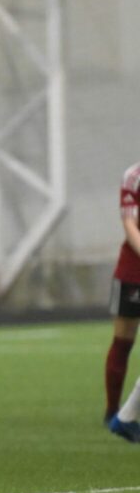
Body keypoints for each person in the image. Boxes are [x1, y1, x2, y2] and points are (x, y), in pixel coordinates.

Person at [104, 160, 140, 426]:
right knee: (123, 341)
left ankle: (125, 418)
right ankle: (113, 411)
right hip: (133, 273)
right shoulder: (134, 176)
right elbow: (130, 225)